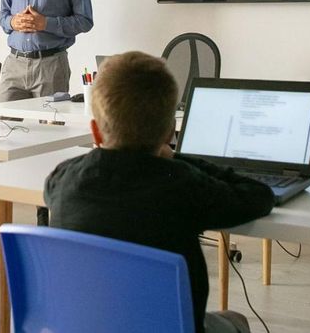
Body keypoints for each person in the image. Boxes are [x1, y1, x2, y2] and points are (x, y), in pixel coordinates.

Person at [44, 51, 274, 333]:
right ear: (170, 132)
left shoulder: (61, 179)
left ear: (95, 131)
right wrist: (177, 158)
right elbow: (258, 195)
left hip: (83, 325)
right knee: (235, 320)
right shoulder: (182, 184)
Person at [0, 0, 94, 226]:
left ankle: (45, 214)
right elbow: (2, 16)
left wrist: (45, 23)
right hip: (14, 63)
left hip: (50, 65)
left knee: (46, 142)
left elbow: (84, 21)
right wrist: (14, 21)